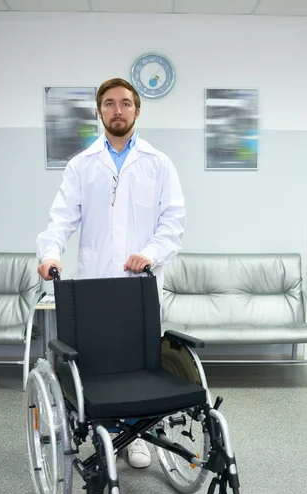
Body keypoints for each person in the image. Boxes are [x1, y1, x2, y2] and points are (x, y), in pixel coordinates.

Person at [37, 77, 185, 469]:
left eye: (125, 103)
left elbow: (173, 222)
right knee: (99, 360)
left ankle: (135, 438)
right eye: (109, 104)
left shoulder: (159, 163)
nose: (117, 110)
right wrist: (51, 254)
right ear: (99, 111)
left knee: (139, 361)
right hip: (96, 281)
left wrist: (149, 253)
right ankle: (108, 433)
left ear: (138, 110)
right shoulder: (82, 165)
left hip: (141, 283)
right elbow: (61, 218)